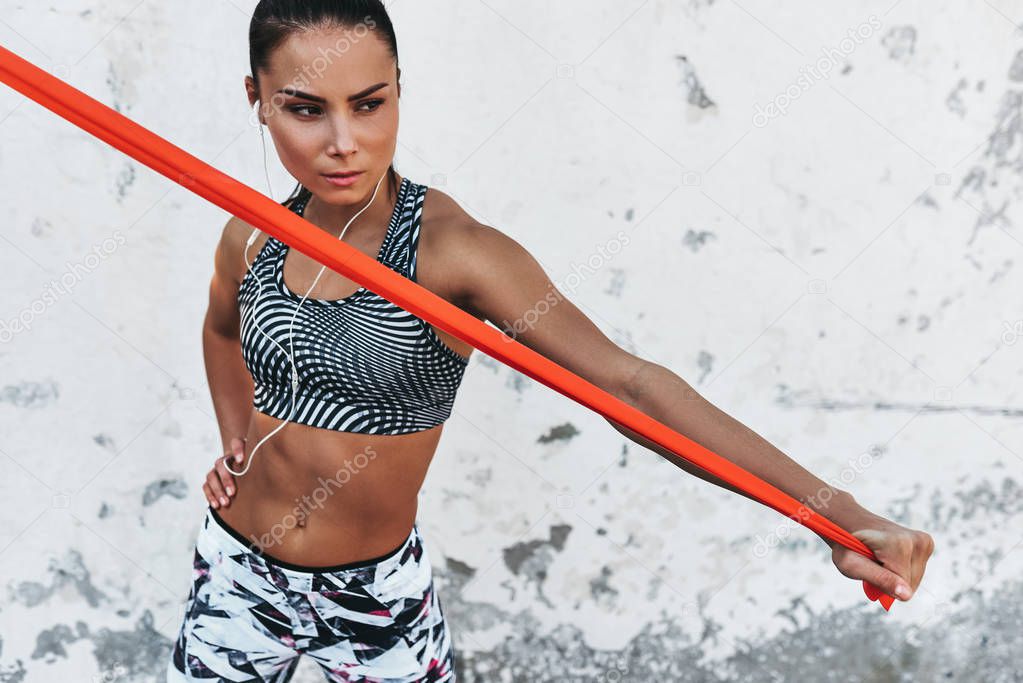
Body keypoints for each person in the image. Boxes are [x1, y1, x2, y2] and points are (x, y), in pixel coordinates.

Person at [168, 1, 935, 681]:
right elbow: (220, 329)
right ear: (256, 101)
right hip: (237, 569)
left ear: (399, 88)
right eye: (305, 109)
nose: (343, 141)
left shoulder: (453, 252)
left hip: (374, 596)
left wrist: (839, 512)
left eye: (368, 103)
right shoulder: (251, 235)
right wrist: (237, 441)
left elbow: (628, 386)